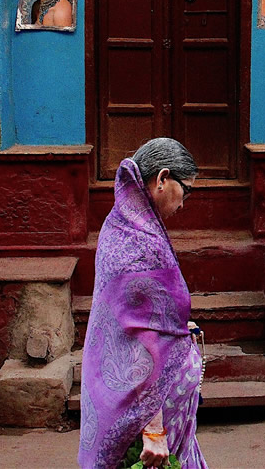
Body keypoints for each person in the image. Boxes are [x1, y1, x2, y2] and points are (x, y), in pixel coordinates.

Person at [78, 137, 205, 469]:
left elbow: (139, 317)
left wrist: (176, 329)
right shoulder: (140, 242)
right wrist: (152, 428)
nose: (184, 203)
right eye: (186, 191)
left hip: (137, 400)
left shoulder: (121, 225)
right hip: (142, 411)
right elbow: (138, 340)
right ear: (162, 179)